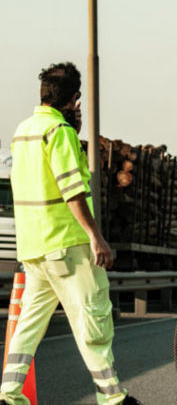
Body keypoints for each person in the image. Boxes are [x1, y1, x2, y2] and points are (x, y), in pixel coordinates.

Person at [0, 63, 139, 405]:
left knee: (28, 327)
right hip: (67, 243)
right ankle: (112, 398)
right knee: (94, 319)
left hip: (34, 247)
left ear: (42, 93)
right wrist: (96, 237)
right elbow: (71, 190)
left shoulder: (24, 131)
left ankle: (10, 394)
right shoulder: (58, 131)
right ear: (75, 98)